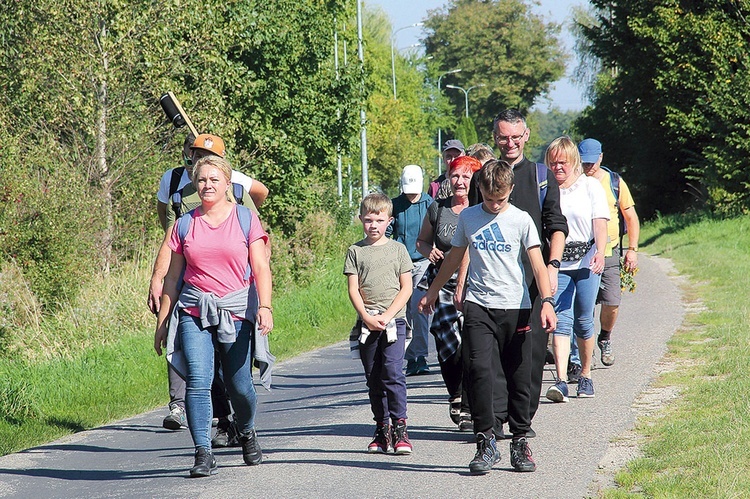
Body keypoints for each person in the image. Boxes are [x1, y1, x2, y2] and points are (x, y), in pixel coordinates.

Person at [419, 159, 557, 474]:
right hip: (479, 306)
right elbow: (454, 257)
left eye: (501, 199)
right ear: (479, 189)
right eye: (489, 199)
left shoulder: (521, 219)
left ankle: (520, 442)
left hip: (517, 307)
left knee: (518, 377)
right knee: (479, 371)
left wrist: (547, 301)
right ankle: (486, 442)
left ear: (509, 191)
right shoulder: (469, 217)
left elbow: (537, 263)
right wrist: (432, 291)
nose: (495, 205)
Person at [154, 154, 274, 477]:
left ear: (227, 184)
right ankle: (202, 452)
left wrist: (264, 306)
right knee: (198, 379)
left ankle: (246, 429)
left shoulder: (246, 219)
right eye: (202, 180)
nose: (207, 185)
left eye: (214, 180)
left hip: (236, 309)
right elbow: (172, 279)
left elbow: (261, 267)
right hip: (195, 309)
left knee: (239, 385)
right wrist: (163, 321)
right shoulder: (183, 224)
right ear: (195, 183)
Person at [491, 109, 568, 438]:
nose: (509, 143)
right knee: (493, 354)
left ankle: (522, 418)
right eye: (503, 137)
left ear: (526, 136)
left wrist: (552, 267)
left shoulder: (540, 176)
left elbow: (557, 227)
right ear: (495, 138)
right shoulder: (486, 174)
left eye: (515, 137)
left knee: (533, 353)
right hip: (492, 280)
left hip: (533, 281)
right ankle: (495, 417)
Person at [344, 193, 414, 455]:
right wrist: (367, 317)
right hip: (367, 322)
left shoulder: (398, 250)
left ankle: (400, 427)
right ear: (361, 219)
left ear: (390, 221)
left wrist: (388, 315)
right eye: (369, 220)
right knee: (374, 378)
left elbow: (406, 288)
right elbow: (353, 289)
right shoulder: (355, 251)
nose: (373, 225)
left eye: (379, 220)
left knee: (393, 374)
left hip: (394, 321)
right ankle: (381, 428)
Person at [416, 155, 481, 431]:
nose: (460, 181)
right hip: (441, 283)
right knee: (446, 343)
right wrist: (426, 250)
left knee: (472, 344)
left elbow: (468, 250)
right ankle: (454, 393)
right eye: (455, 175)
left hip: (474, 283)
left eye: (466, 176)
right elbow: (421, 241)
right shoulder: (438, 209)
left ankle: (468, 406)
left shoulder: (480, 209)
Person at [543, 137, 608, 403]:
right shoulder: (546, 188)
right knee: (561, 320)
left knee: (583, 320)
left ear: (574, 162)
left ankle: (585, 374)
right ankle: (560, 380)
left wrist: (601, 253)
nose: (558, 168)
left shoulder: (590, 187)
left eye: (563, 163)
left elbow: (600, 223)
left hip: (585, 261)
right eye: (553, 163)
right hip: (557, 264)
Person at [579, 138, 640, 367]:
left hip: (609, 251)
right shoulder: (574, 182)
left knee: (612, 301)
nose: (589, 167)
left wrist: (632, 250)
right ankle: (581, 351)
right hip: (582, 253)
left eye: (592, 162)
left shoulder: (614, 182)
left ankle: (604, 337)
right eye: (584, 163)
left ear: (601, 158)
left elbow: (630, 217)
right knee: (583, 305)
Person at [390, 165, 434, 376]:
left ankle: (419, 357)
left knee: (419, 307)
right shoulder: (395, 205)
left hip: (423, 262)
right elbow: (388, 231)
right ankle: (402, 356)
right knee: (404, 311)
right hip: (401, 263)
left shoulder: (429, 204)